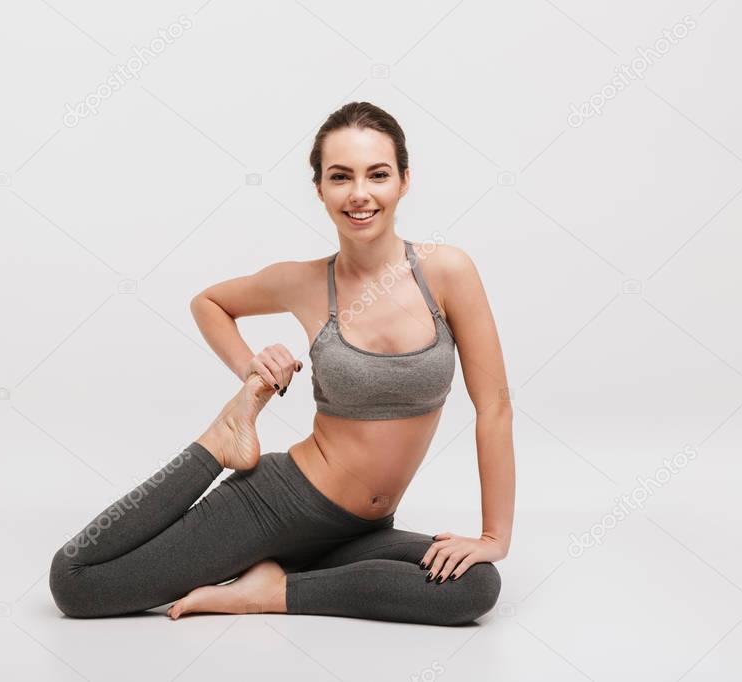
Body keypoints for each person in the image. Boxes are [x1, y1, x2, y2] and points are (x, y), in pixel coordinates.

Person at [49, 101, 515, 626]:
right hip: (279, 504)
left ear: (404, 181)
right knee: (77, 583)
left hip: (364, 532)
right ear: (320, 189)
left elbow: (494, 406)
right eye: (340, 177)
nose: (359, 194)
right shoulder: (304, 282)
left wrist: (494, 537)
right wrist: (251, 366)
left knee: (474, 586)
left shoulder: (448, 272)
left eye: (377, 174)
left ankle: (274, 591)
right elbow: (210, 303)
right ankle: (221, 439)